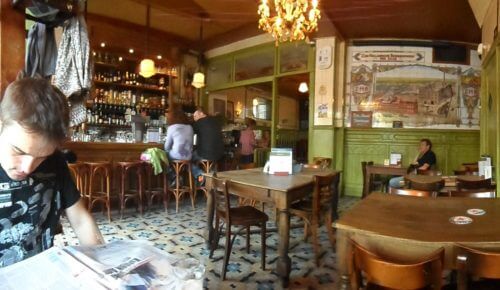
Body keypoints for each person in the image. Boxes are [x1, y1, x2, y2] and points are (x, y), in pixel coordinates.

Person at [0, 77, 104, 267]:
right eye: (18, 151)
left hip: (40, 274)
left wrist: (103, 269)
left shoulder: (55, 163)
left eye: (42, 157)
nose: (28, 168)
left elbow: (80, 220)